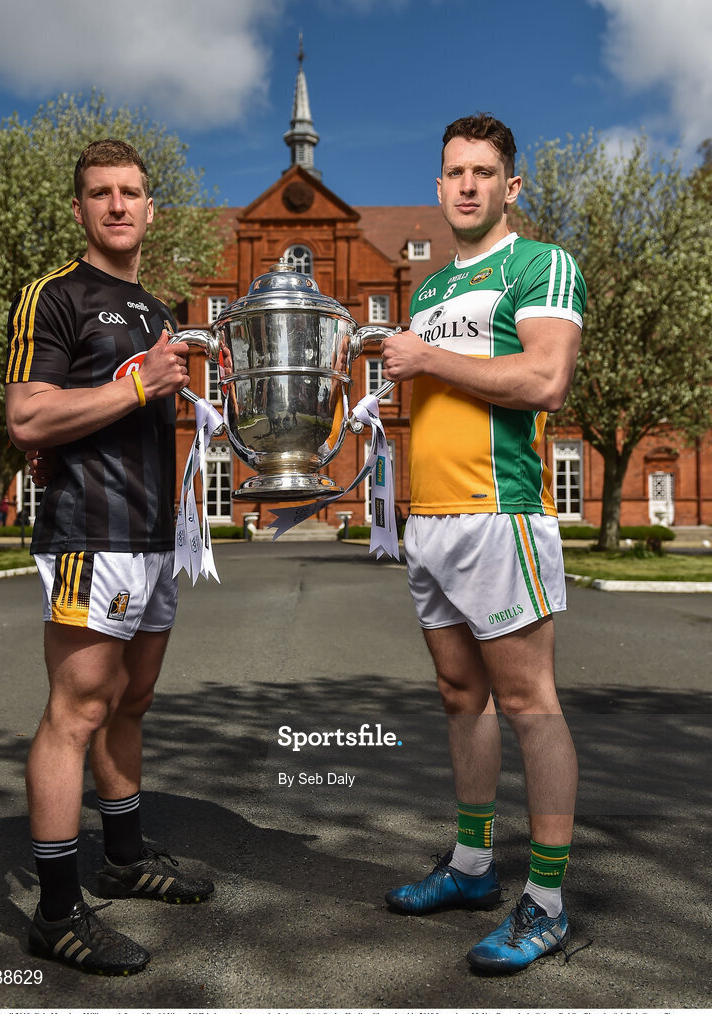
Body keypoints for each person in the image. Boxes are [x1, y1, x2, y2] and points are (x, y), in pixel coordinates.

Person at [381, 113, 586, 976]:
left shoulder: (539, 263)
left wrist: (426, 359)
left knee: (528, 701)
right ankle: (470, 869)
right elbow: (430, 389)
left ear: (510, 186)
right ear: (438, 186)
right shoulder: (427, 290)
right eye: (453, 172)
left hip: (497, 515)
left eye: (483, 172)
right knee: (458, 694)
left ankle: (544, 901)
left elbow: (543, 378)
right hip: (427, 519)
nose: (466, 185)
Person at [5, 139, 213, 977]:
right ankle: (56, 915)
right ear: (81, 208)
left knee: (133, 699)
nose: (119, 205)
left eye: (132, 192)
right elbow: (27, 418)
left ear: (150, 208)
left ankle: (123, 858)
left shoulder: (160, 311)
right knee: (77, 710)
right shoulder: (53, 297)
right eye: (102, 193)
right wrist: (135, 385)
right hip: (90, 532)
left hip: (152, 535)